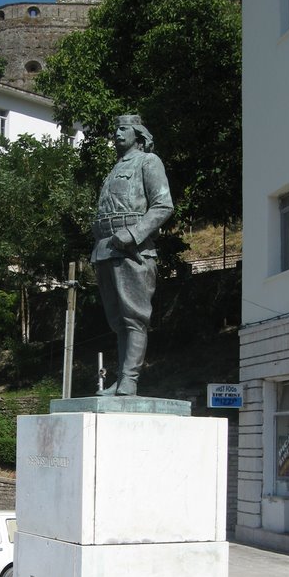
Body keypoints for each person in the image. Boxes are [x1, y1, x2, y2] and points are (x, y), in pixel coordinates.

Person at [91, 114, 174, 396]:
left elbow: (163, 206)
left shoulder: (149, 162)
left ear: (138, 133)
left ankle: (130, 379)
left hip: (133, 247)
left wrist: (134, 233)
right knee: (117, 321)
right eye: (115, 129)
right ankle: (121, 380)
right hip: (105, 247)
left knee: (133, 317)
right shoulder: (114, 168)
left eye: (123, 129)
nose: (117, 134)